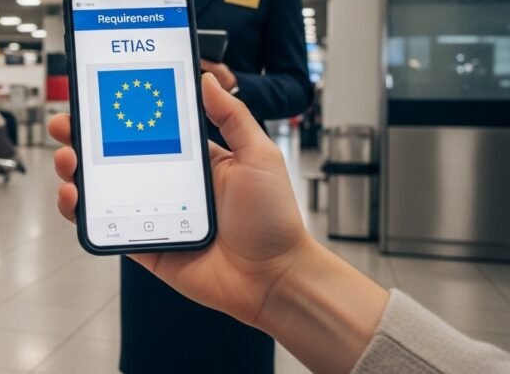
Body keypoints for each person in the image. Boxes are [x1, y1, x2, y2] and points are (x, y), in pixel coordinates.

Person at [49, 75, 510, 373]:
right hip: (151, 222)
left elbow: (296, 86)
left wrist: (233, 84)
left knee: (231, 355)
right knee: (149, 353)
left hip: (224, 197)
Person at [111, 0, 314, 372]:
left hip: (234, 179)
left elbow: (297, 83)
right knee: (151, 334)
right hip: (146, 179)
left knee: (235, 334)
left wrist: (235, 85)